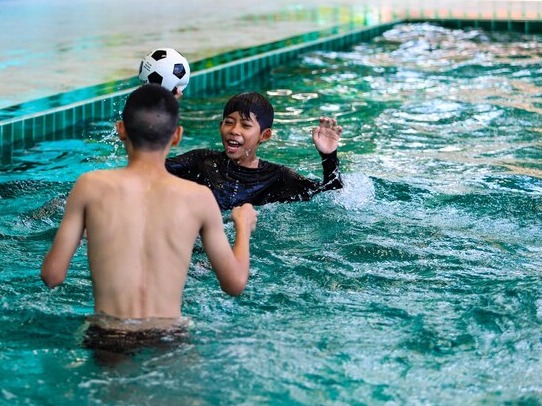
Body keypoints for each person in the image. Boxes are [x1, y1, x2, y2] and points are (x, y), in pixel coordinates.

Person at [40, 84, 257, 354]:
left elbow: (52, 276)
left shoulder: (89, 186)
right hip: (170, 335)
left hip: (109, 334)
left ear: (121, 130)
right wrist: (243, 226)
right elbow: (234, 284)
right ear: (177, 136)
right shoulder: (199, 197)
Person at [166, 91, 343, 211]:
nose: (234, 130)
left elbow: (331, 198)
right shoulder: (201, 161)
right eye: (229, 122)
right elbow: (149, 168)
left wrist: (329, 157)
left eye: (245, 125)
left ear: (264, 135)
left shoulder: (277, 177)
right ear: (221, 126)